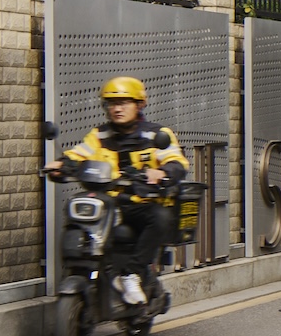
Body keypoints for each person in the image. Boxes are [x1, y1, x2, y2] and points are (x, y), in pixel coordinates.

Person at [46, 75, 191, 308]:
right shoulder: (99, 135)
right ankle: (84, 269)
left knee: (161, 217)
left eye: (124, 102)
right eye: (112, 104)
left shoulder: (157, 134)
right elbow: (80, 153)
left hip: (140, 202)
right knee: (78, 214)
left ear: (139, 104)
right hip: (109, 202)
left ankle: (131, 274)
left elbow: (176, 161)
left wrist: (161, 172)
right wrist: (61, 164)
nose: (117, 108)